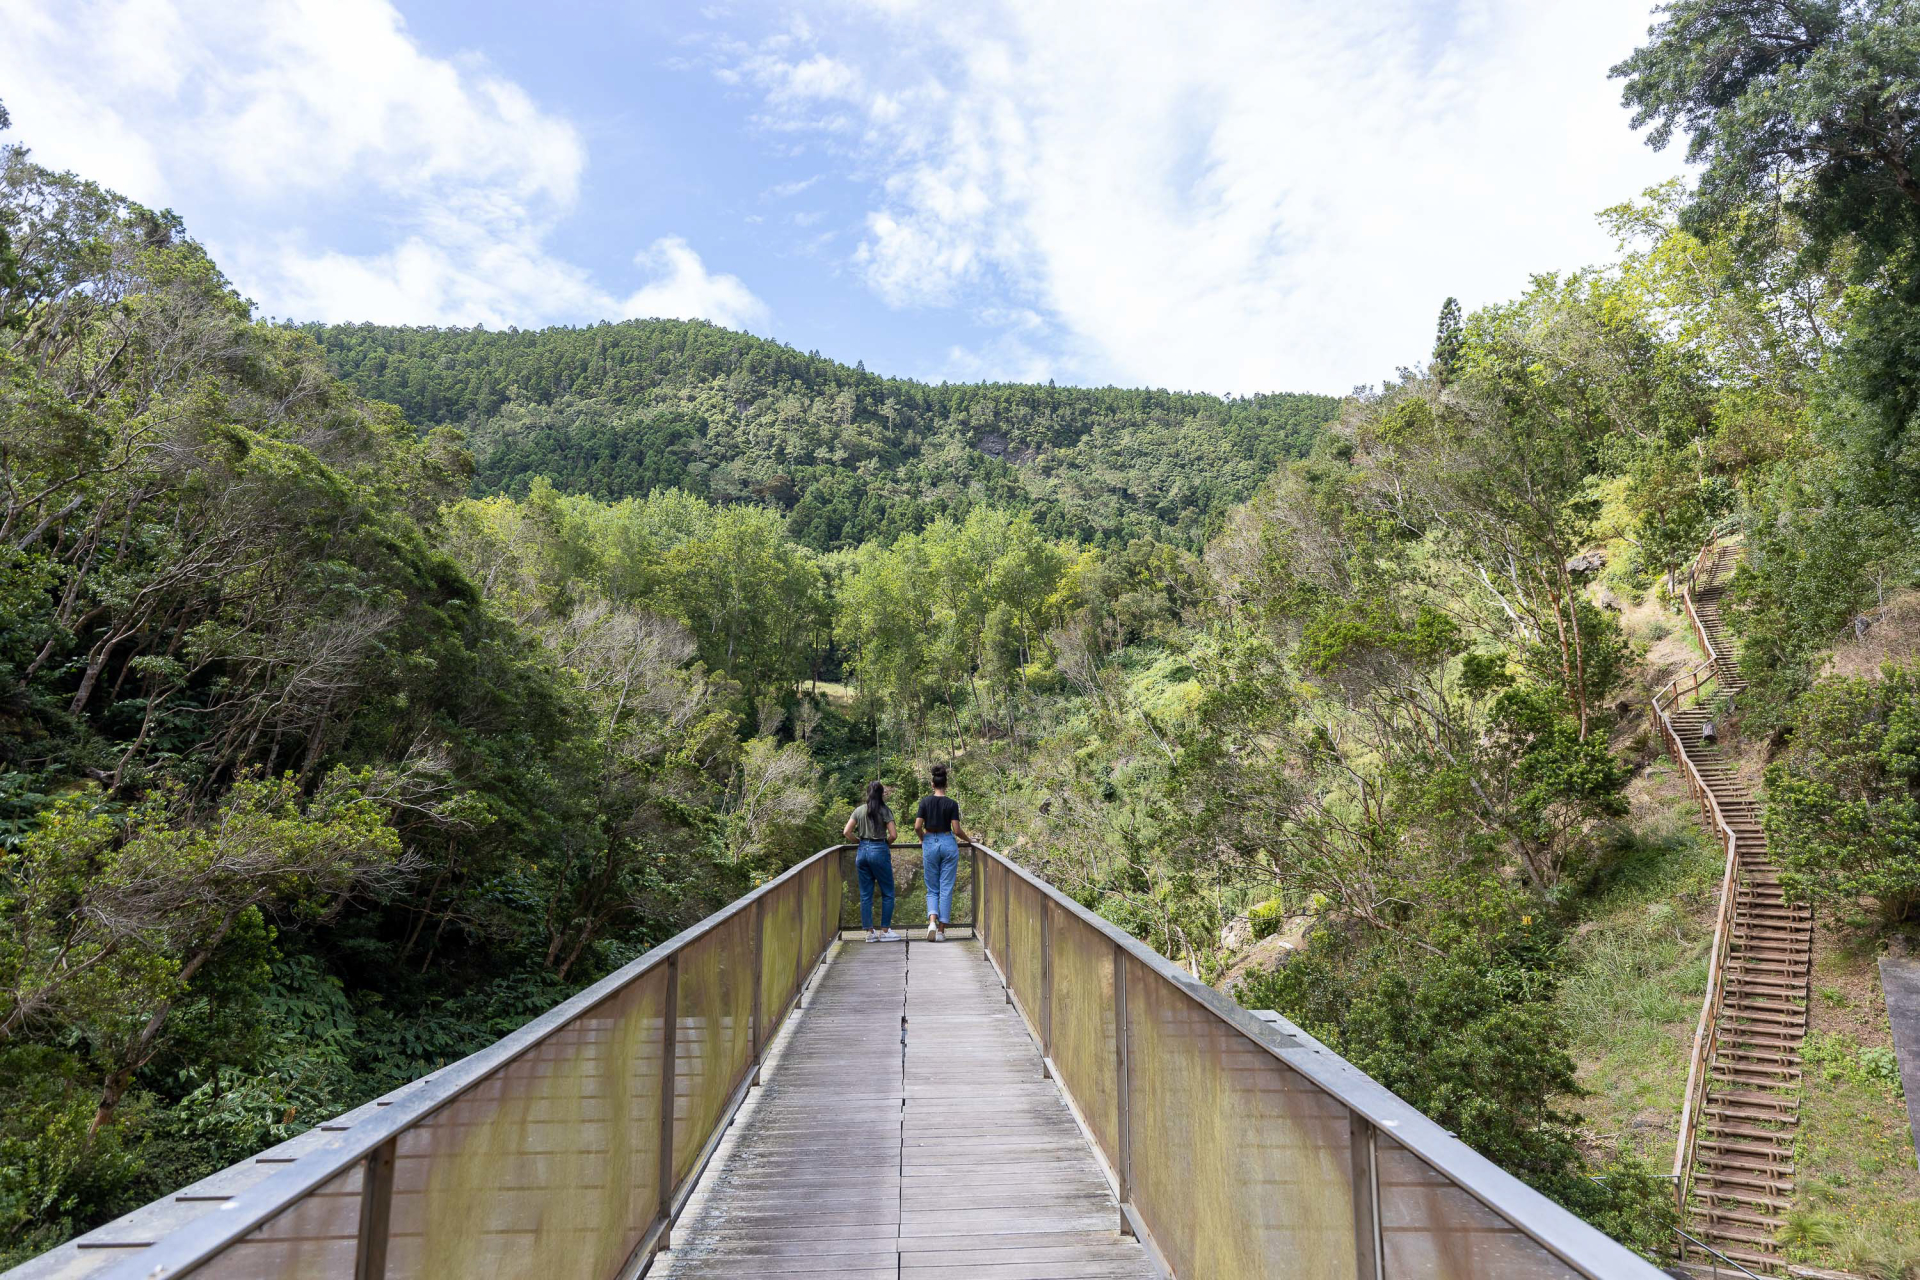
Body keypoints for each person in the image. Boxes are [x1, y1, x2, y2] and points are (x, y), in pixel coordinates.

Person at [914, 763, 970, 942]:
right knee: (946, 887)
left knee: (932, 887)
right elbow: (957, 830)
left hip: (930, 842)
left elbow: (917, 826)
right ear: (946, 785)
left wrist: (923, 838)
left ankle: (931, 921)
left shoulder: (925, 802)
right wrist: (970, 840)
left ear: (932, 784)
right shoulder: (952, 804)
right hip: (948, 842)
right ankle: (941, 931)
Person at [845, 781, 900, 942]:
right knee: (888, 892)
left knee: (865, 894)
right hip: (879, 850)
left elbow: (847, 832)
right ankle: (885, 930)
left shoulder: (859, 810)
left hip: (862, 852)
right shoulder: (884, 810)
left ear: (868, 793)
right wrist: (885, 844)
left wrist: (859, 842)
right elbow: (893, 835)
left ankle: (870, 932)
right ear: (881, 794)